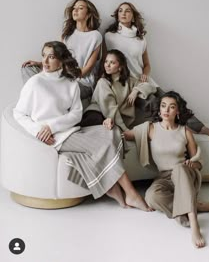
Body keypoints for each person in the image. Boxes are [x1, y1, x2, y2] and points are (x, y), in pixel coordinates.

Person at [14, 41, 151, 211]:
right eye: (44, 56)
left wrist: (53, 125)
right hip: (54, 138)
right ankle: (131, 193)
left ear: (62, 60)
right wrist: (40, 130)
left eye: (51, 57)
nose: (45, 61)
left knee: (111, 132)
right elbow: (18, 113)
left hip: (71, 132)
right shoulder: (35, 83)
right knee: (105, 143)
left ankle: (112, 188)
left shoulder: (70, 83)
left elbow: (76, 114)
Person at [124, 91, 209, 248]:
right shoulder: (150, 129)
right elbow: (125, 135)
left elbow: (198, 162)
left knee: (179, 170)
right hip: (164, 177)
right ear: (159, 109)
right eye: (163, 106)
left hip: (185, 174)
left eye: (171, 107)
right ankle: (198, 206)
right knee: (151, 197)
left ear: (177, 111)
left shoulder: (185, 132)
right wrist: (108, 123)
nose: (166, 110)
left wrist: (192, 164)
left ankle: (194, 224)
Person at [104, 2, 209, 137]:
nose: (123, 13)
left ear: (133, 16)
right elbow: (105, 62)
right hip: (127, 85)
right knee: (155, 105)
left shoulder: (140, 39)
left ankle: (200, 128)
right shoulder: (109, 37)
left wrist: (144, 75)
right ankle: (175, 132)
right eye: (120, 11)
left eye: (127, 11)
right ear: (117, 15)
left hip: (144, 82)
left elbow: (147, 64)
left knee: (174, 102)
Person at [21, 0, 102, 100]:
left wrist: (63, 77)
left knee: (57, 87)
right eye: (74, 8)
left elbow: (86, 70)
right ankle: (38, 99)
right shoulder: (67, 35)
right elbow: (59, 59)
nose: (75, 10)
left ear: (89, 14)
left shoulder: (95, 36)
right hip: (61, 75)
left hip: (81, 82)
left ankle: (40, 98)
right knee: (27, 68)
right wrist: (40, 64)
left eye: (80, 8)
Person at [81, 49, 156, 130]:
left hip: (115, 118)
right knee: (99, 124)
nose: (107, 65)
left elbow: (151, 87)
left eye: (112, 62)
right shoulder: (103, 82)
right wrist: (123, 128)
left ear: (120, 67)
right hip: (98, 113)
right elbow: (110, 107)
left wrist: (135, 91)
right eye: (106, 61)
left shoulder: (129, 81)